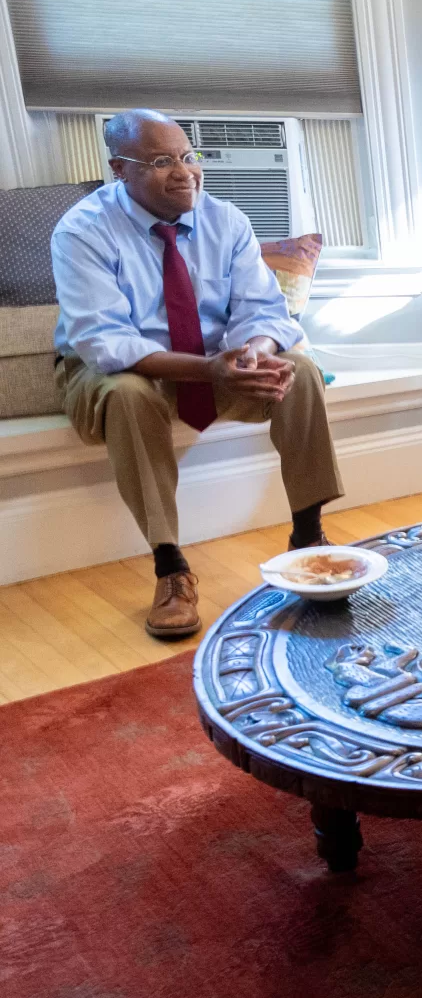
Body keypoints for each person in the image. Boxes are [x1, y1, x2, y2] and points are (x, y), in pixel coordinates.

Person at [51, 109, 341, 640]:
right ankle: (170, 570)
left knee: (296, 365)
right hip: (111, 372)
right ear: (120, 168)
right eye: (161, 161)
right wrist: (211, 369)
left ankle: (309, 539)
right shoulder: (81, 232)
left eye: (188, 156)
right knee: (129, 393)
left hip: (216, 363)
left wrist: (253, 355)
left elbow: (265, 311)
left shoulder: (225, 219)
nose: (184, 172)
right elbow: (105, 343)